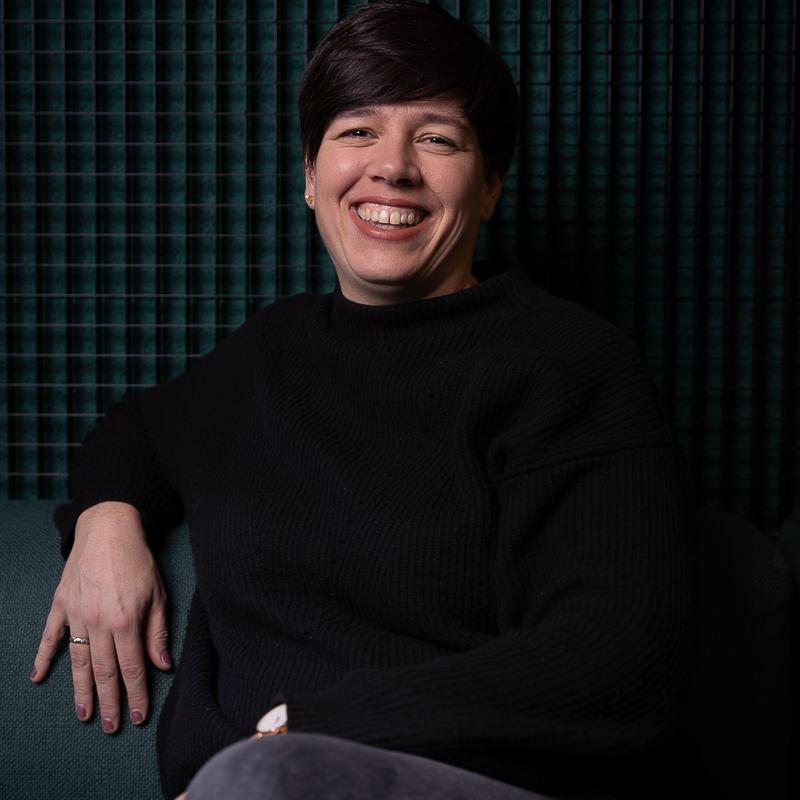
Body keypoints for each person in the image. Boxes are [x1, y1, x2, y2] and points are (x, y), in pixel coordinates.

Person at [31, 2, 694, 798]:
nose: (393, 167)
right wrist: (105, 520)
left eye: (438, 138)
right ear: (311, 178)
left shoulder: (568, 367)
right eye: (357, 131)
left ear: (489, 187)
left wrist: (311, 731)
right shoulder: (263, 359)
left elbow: (621, 662)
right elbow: (134, 431)